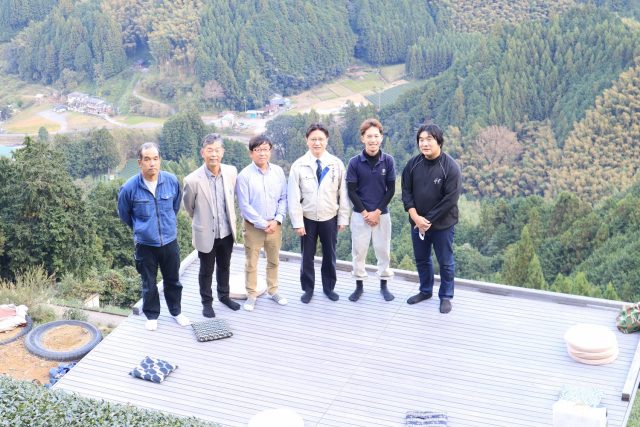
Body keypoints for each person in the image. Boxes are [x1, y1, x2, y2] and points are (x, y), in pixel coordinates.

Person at [117, 142, 191, 331]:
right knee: (148, 282)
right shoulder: (129, 188)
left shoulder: (171, 181)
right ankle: (151, 315)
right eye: (147, 159)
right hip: (145, 244)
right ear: (140, 162)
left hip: (169, 241)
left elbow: (175, 207)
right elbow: (124, 215)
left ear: (160, 160)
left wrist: (166, 225)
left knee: (173, 280)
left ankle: (176, 312)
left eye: (155, 159)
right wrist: (142, 229)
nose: (152, 163)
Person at [401, 124, 462, 314]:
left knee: (445, 261)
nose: (424, 144)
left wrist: (426, 220)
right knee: (422, 259)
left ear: (439, 141)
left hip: (442, 225)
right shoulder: (412, 165)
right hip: (417, 223)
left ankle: (446, 296)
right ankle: (425, 291)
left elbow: (450, 199)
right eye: (421, 140)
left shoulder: (450, 167)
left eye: (429, 139)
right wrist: (415, 217)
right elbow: (406, 193)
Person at [288, 123, 350, 303]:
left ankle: (329, 288)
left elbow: (343, 194)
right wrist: (297, 222)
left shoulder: (336, 164)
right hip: (307, 218)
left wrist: (343, 218)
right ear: (307, 141)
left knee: (330, 255)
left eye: (320, 139)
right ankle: (308, 289)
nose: (317, 143)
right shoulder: (298, 165)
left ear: (327, 140)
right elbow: (293, 197)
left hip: (330, 217)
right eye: (313, 139)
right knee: (307, 256)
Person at [183, 133, 240, 318]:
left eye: (217, 150)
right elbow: (189, 207)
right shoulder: (192, 180)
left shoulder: (231, 172)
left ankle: (224, 296)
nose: (213, 154)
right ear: (203, 153)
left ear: (222, 152)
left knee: (225, 266)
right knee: (206, 271)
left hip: (227, 231)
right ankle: (207, 303)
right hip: (206, 233)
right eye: (210, 150)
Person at [236, 135, 288, 311]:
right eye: (258, 150)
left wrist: (277, 219)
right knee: (251, 262)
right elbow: (244, 205)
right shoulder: (244, 175)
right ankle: (251, 294)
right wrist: (262, 223)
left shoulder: (278, 172)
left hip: (275, 225)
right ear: (251, 153)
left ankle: (273, 290)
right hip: (253, 227)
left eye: (265, 149)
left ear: (270, 151)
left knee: (273, 260)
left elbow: (283, 198)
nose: (262, 153)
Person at [346, 118, 396, 302]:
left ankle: (384, 285)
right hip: (360, 215)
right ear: (362, 138)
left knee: (383, 250)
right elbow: (351, 191)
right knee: (359, 252)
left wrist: (377, 212)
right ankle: (359, 286)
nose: (373, 140)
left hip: (382, 214)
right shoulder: (354, 162)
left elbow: (391, 189)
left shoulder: (388, 161)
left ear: (381, 138)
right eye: (369, 136)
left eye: (376, 136)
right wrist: (366, 213)